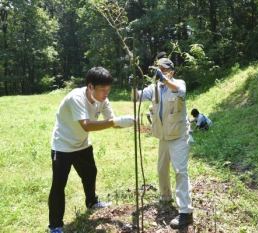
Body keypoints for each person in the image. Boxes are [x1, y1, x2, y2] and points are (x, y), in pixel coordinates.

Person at [48, 67, 134, 233]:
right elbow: (86, 125)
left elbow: (111, 121)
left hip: (82, 144)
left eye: (108, 90)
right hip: (63, 145)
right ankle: (55, 225)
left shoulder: (103, 99)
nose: (105, 94)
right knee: (59, 185)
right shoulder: (76, 98)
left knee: (90, 173)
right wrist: (116, 122)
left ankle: (92, 202)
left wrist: (128, 122)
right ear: (90, 87)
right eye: (102, 90)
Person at [133, 58, 194, 229]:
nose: (159, 71)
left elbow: (179, 90)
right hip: (163, 137)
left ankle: (185, 212)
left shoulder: (178, 83)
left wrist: (164, 79)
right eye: (158, 69)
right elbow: (136, 97)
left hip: (179, 135)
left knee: (180, 171)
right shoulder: (154, 88)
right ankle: (165, 197)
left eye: (163, 69)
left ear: (171, 71)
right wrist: (133, 85)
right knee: (161, 169)